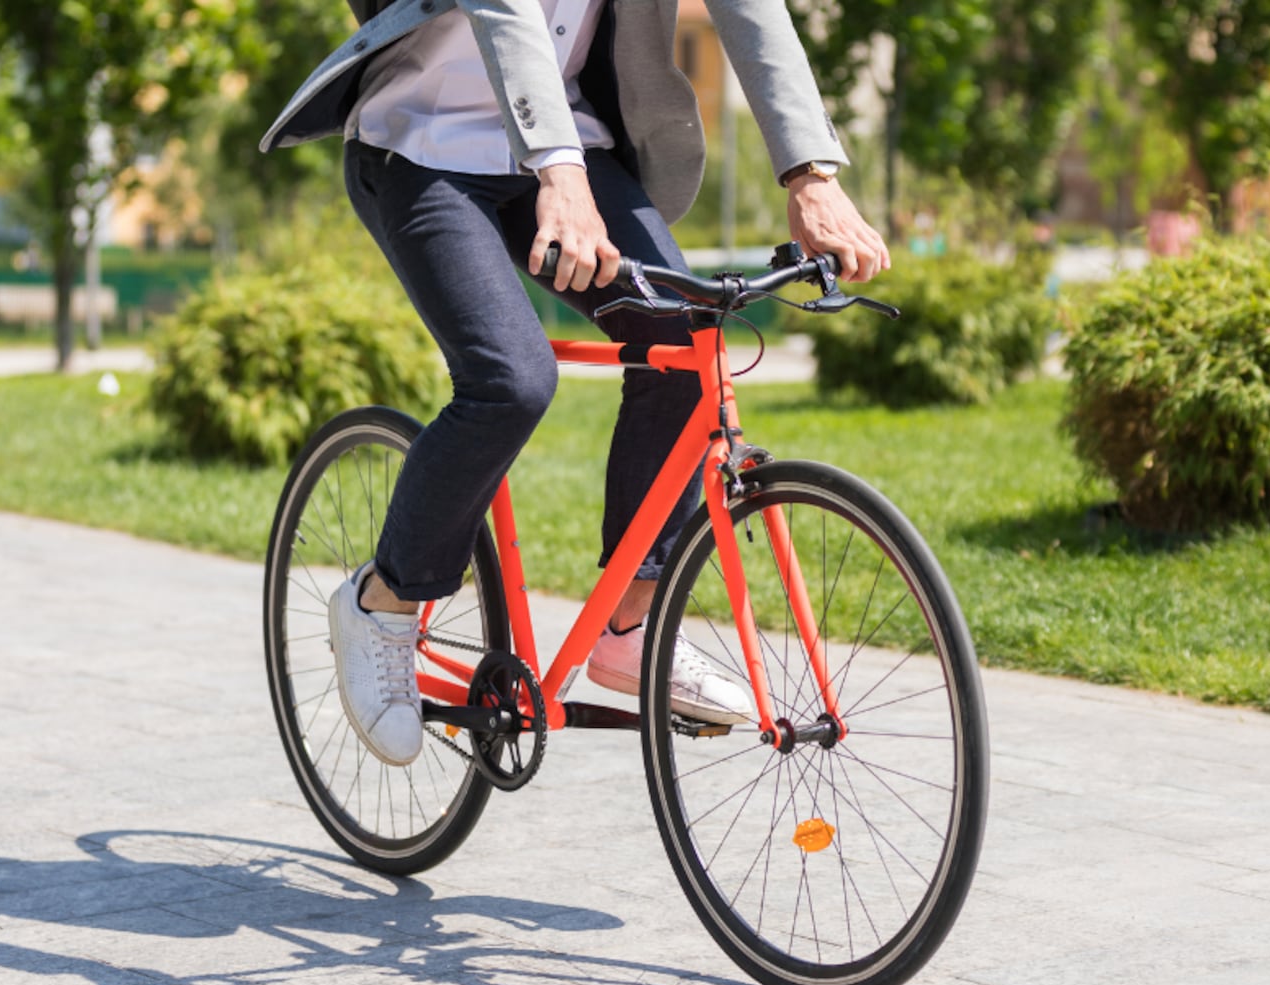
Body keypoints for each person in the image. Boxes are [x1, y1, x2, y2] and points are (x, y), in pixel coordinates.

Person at [262, 0, 889, 766]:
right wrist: (557, 173)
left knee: (689, 348)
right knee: (510, 379)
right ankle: (381, 599)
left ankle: (632, 623)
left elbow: (750, 9)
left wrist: (810, 174)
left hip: (572, 146)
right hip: (424, 142)